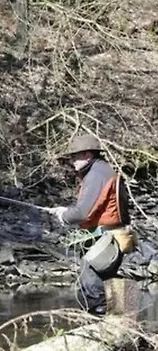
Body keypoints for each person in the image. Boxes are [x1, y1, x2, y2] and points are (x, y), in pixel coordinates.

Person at [48, 133, 137, 316]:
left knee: (91, 276)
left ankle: (104, 319)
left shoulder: (97, 175)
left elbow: (83, 213)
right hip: (110, 236)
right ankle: (120, 319)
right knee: (104, 279)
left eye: (75, 156)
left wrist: (65, 216)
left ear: (88, 155)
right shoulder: (102, 170)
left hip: (107, 238)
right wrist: (65, 211)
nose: (72, 161)